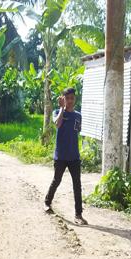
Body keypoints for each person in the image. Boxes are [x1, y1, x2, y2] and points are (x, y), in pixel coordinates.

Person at [44, 87, 86, 225]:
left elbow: (77, 131)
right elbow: (57, 124)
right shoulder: (58, 112)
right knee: (57, 180)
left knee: (77, 185)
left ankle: (78, 214)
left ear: (75, 99)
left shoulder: (78, 115)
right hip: (61, 155)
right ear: (63, 99)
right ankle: (47, 202)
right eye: (66, 98)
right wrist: (62, 109)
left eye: (71, 98)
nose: (69, 101)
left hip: (74, 156)